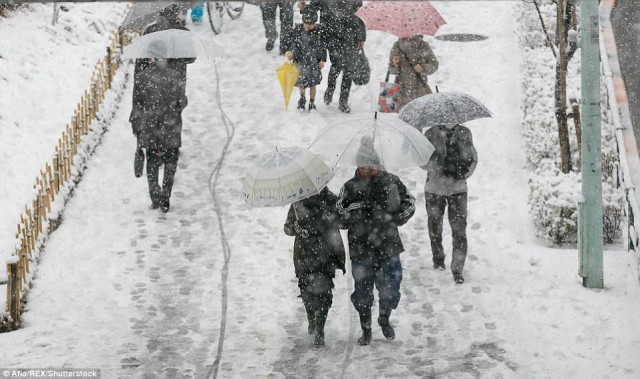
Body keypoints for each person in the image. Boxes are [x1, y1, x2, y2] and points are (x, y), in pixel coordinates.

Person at [337, 137, 416, 346]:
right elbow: (338, 215)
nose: (368, 171)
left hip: (388, 246)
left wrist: (396, 216)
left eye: (371, 166)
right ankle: (366, 328)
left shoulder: (392, 182)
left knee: (391, 287)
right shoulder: (349, 188)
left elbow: (410, 203)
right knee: (362, 292)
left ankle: (384, 316)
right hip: (361, 249)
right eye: (364, 166)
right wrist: (354, 209)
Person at [130, 41, 188, 213]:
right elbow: (181, 102)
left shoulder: (141, 78)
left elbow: (137, 105)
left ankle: (155, 194)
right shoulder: (175, 76)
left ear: (150, 56)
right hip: (171, 126)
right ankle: (166, 194)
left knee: (152, 161)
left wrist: (137, 126)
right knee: (171, 161)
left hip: (150, 127)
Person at [284, 186, 346, 347]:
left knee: (324, 294)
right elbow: (287, 227)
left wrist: (331, 218)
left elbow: (343, 221)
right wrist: (296, 227)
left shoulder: (331, 199)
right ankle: (311, 316)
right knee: (306, 293)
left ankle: (320, 328)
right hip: (304, 257)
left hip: (326, 255)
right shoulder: (297, 203)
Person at [423, 123, 478, 284]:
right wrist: (437, 166)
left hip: (453, 189)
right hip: (438, 188)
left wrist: (461, 174)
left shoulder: (464, 132)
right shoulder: (431, 133)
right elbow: (421, 158)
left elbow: (473, 158)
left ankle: (456, 268)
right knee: (437, 226)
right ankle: (439, 258)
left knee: (458, 229)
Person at [298, 0, 364, 113]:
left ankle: (343, 101)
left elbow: (360, 15)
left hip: (349, 36)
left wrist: (361, 36)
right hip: (331, 35)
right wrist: (304, 9)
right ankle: (330, 89)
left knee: (349, 69)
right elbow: (313, 7)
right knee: (336, 66)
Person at [285, 12, 327, 112]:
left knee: (313, 83)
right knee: (301, 83)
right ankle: (302, 99)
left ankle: (312, 102)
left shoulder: (319, 32)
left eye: (311, 24)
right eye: (307, 23)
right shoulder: (298, 30)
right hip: (300, 60)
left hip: (313, 61)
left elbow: (322, 47)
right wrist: (290, 52)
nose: (309, 26)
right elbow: (293, 43)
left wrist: (322, 60)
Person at [388, 35, 439, 109]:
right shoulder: (397, 45)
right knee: (401, 119)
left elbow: (434, 65)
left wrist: (423, 67)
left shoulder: (423, 45)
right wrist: (394, 63)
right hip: (402, 93)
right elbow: (391, 70)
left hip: (420, 91)